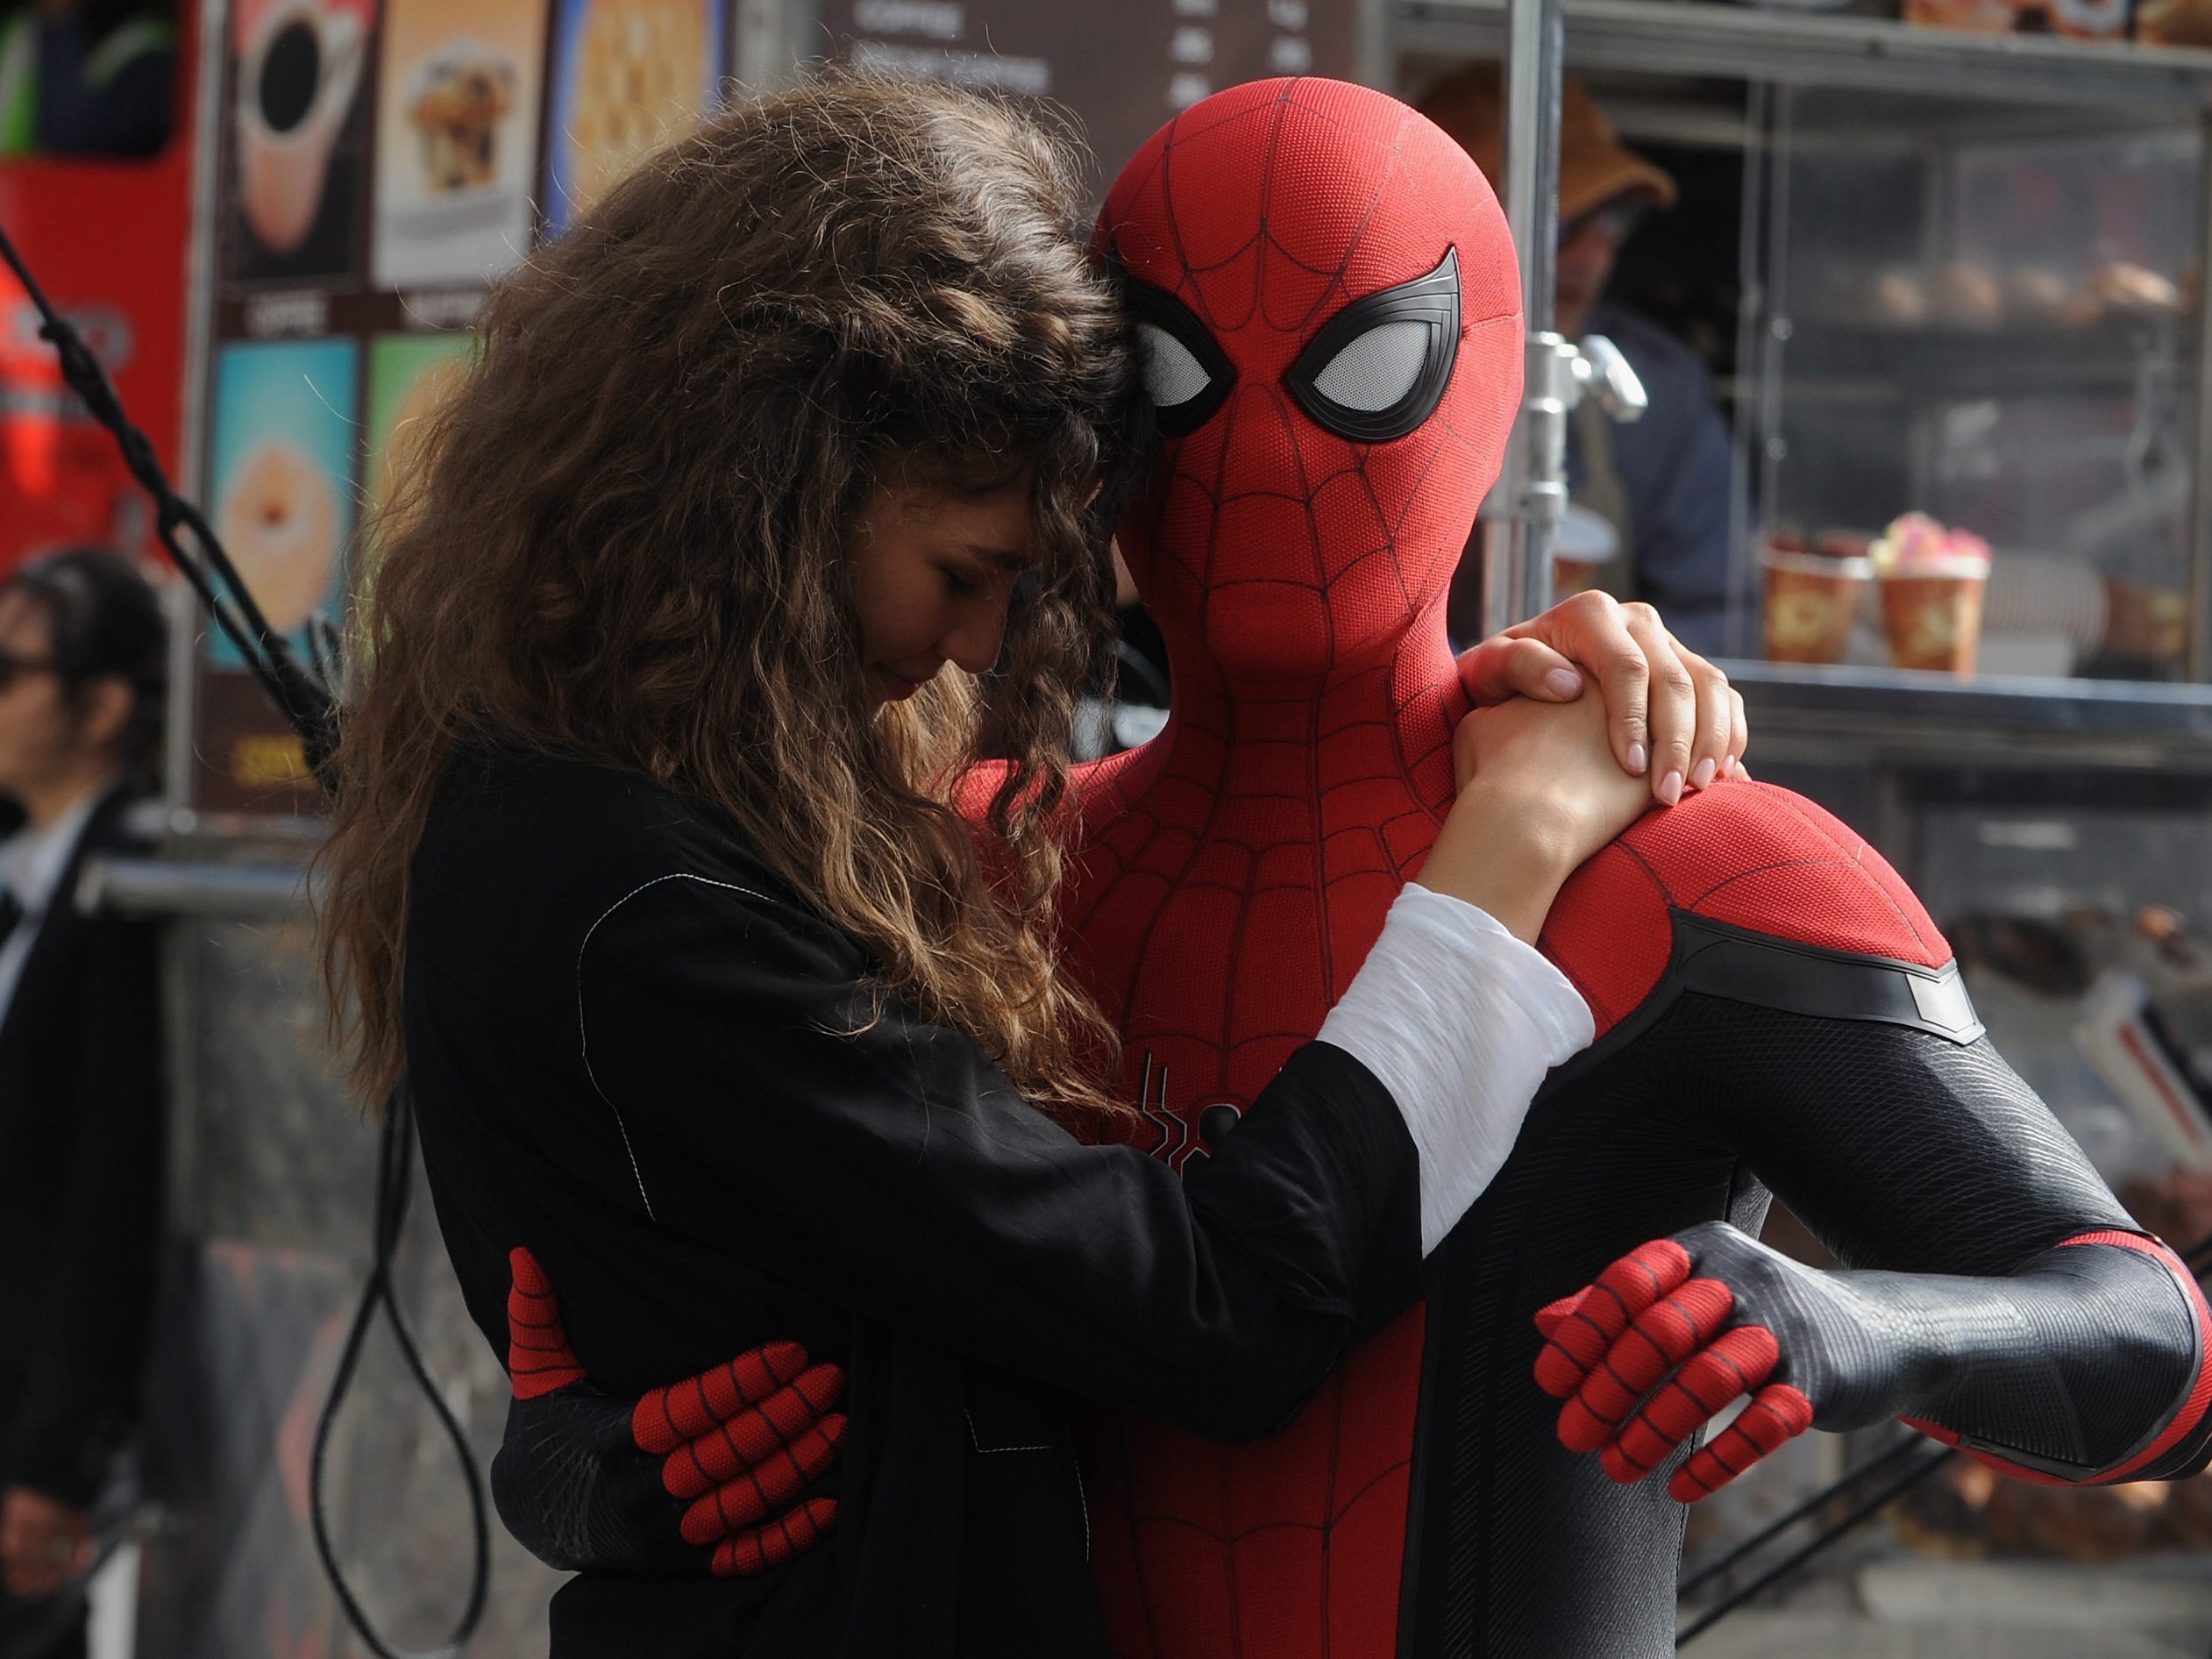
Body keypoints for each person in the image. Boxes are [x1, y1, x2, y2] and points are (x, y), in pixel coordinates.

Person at [497, 76, 2212, 1659]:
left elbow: (2160, 1349)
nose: (1261, 457)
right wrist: (598, 1466)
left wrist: (1853, 1330)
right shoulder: (954, 874)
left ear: (1475, 375)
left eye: (1357, 368)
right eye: (1173, 379)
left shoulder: (1692, 869)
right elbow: (632, 1387)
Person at [315, 75, 1744, 1658]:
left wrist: (587, 1468)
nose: (982, 643)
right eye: (962, 572)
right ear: (776, 490)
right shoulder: (648, 897)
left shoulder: (629, 796)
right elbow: (1215, 1309)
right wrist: (1505, 853)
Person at [1419, 65, 1747, 656]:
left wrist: (1615, 682)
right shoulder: (1371, 375)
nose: (1592, 254)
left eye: (1612, 218)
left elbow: (1717, 609)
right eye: (1561, 221)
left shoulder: (1658, 387)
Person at [0, 548, 167, 1659]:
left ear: (102, 705)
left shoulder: (133, 878)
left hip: (28, 1422)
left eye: (7, 666)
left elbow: (117, 1178)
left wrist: (56, 1457)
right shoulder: (18, 853)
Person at [0, 1, 175, 159]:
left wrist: (58, 19)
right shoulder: (22, 24)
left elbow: (72, 146)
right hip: (14, 190)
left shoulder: (153, 59)